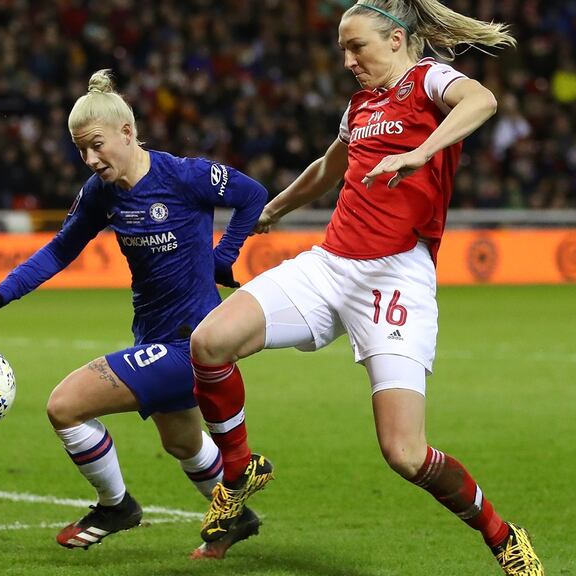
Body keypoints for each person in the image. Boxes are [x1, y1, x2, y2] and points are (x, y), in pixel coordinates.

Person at [187, 2, 544, 574]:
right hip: (330, 265)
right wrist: (275, 208)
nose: (348, 61)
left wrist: (422, 153)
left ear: (398, 40)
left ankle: (503, 536)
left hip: (396, 275)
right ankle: (239, 471)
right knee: (208, 343)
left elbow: (483, 100)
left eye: (358, 48)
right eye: (342, 50)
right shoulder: (360, 106)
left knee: (404, 453)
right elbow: (332, 165)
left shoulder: (428, 79)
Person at [0, 69, 267, 558]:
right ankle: (235, 514)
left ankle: (116, 505)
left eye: (97, 145)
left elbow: (252, 194)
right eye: (81, 150)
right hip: (152, 336)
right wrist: (2, 294)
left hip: (188, 344)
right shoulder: (100, 193)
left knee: (64, 406)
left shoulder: (183, 176)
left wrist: (225, 255)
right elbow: (62, 249)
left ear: (127, 133)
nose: (90, 159)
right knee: (183, 444)